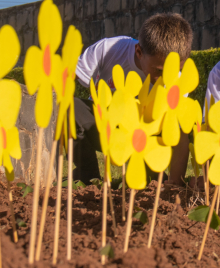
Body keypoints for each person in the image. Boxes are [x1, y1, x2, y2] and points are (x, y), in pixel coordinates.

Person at [73, 13, 194, 185]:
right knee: (70, 107)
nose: (167, 78)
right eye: (159, 71)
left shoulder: (178, 82)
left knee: (146, 185)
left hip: (145, 139)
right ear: (139, 51)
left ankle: (152, 179)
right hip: (104, 126)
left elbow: (179, 134)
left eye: (174, 70)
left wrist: (175, 184)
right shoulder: (109, 49)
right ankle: (88, 180)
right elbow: (67, 77)